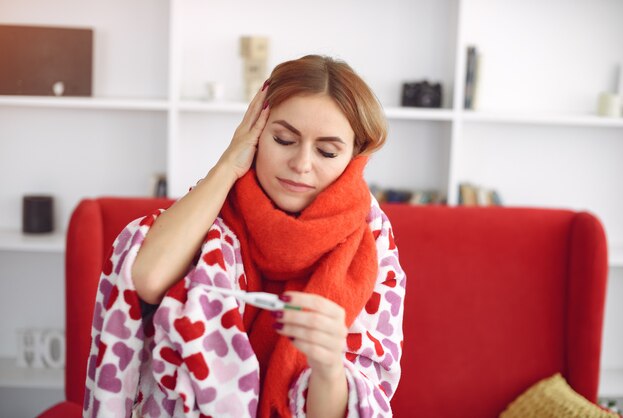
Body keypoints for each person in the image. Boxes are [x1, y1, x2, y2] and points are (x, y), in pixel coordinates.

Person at [83, 55, 406, 418]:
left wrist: (329, 366)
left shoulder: (371, 241)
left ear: (354, 157)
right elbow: (146, 279)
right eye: (283, 139)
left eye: (327, 151)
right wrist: (229, 163)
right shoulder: (210, 206)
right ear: (256, 132)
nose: (301, 164)